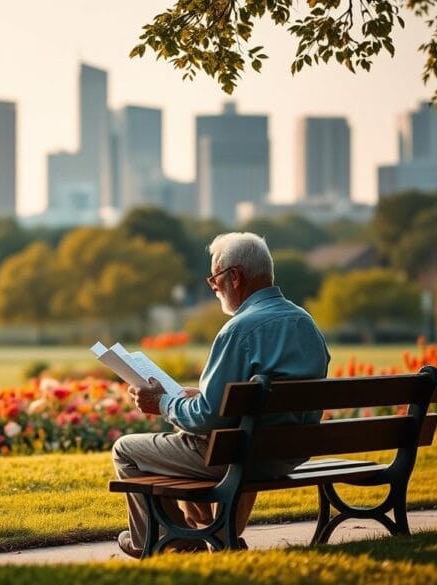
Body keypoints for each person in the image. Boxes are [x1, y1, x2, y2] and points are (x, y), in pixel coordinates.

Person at [112, 232, 330, 558]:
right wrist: (194, 397)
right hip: (287, 454)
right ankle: (214, 533)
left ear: (235, 277)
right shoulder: (305, 322)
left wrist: (161, 402)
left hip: (243, 457)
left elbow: (208, 417)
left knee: (126, 449)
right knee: (219, 433)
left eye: (214, 279)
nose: (213, 287)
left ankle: (166, 542)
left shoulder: (239, 329)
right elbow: (246, 399)